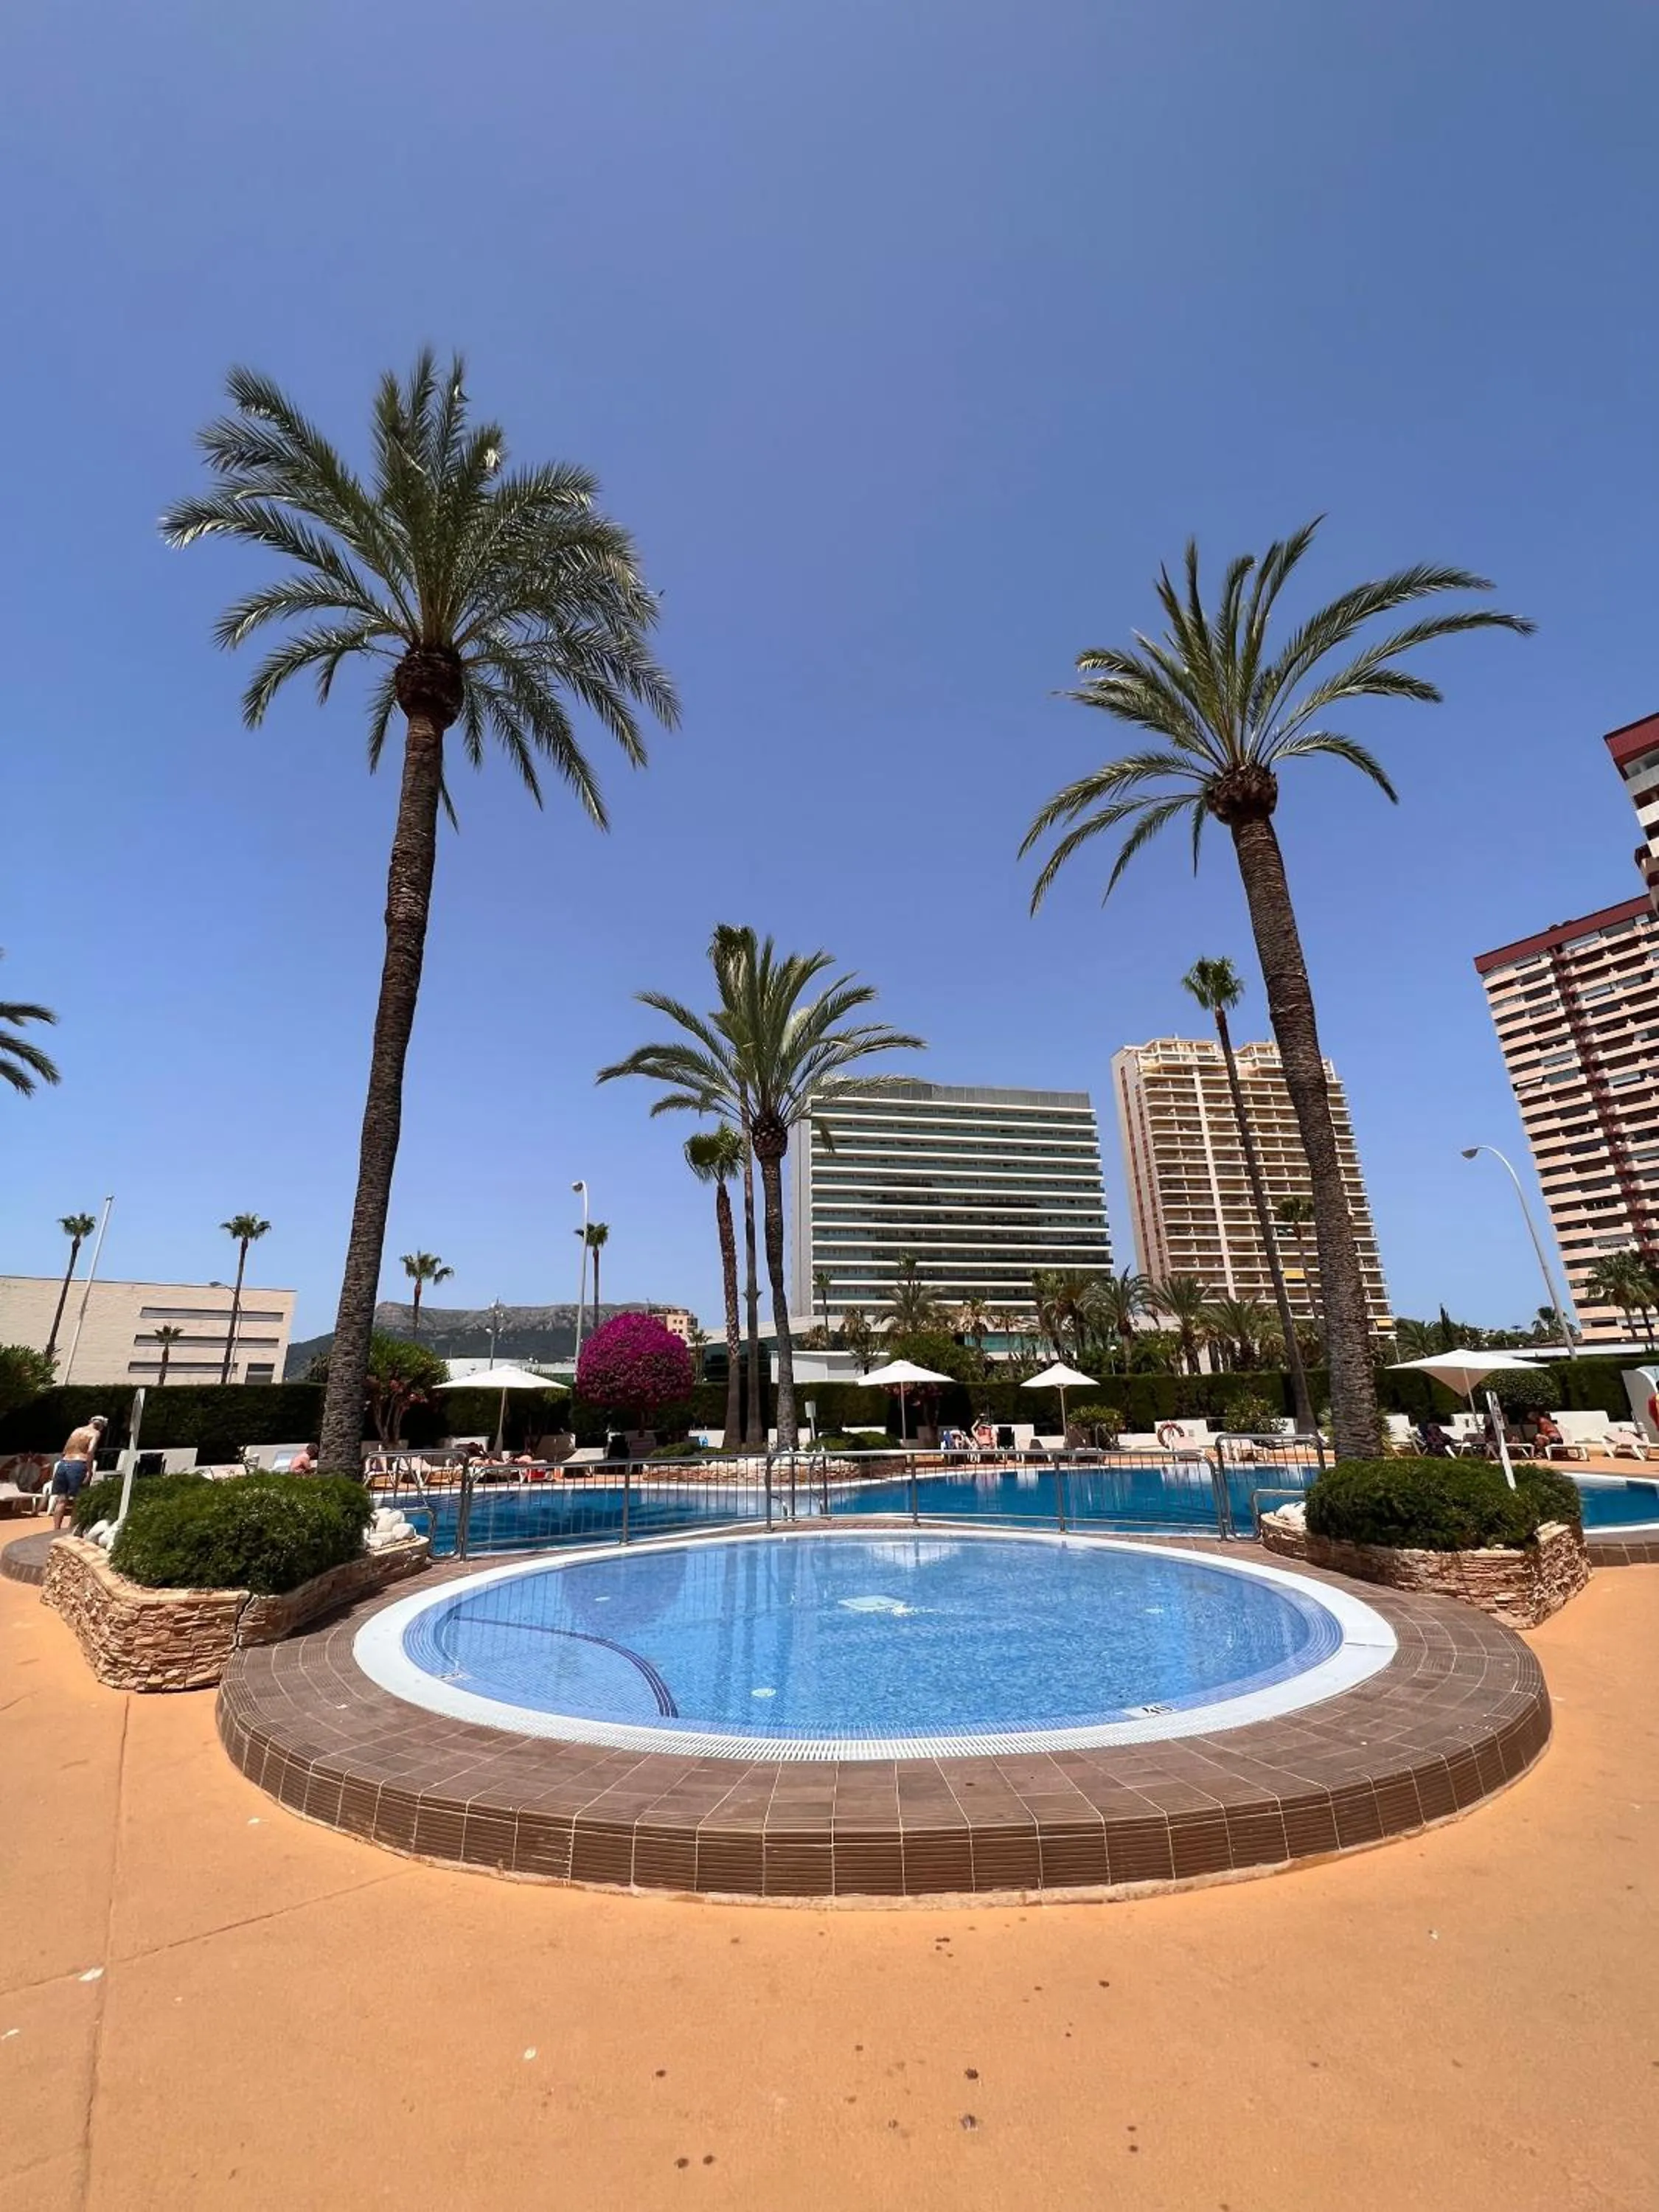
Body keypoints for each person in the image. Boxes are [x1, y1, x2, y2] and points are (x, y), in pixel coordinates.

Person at [50, 1414, 106, 1529]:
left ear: (90, 1421)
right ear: (101, 1426)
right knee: (79, 1500)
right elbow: (90, 1451)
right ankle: (71, 1529)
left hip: (64, 1463)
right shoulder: (95, 1433)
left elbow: (65, 1450)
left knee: (61, 1499)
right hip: (79, 1464)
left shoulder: (77, 1431)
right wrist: (89, 1471)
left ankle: (56, 1529)